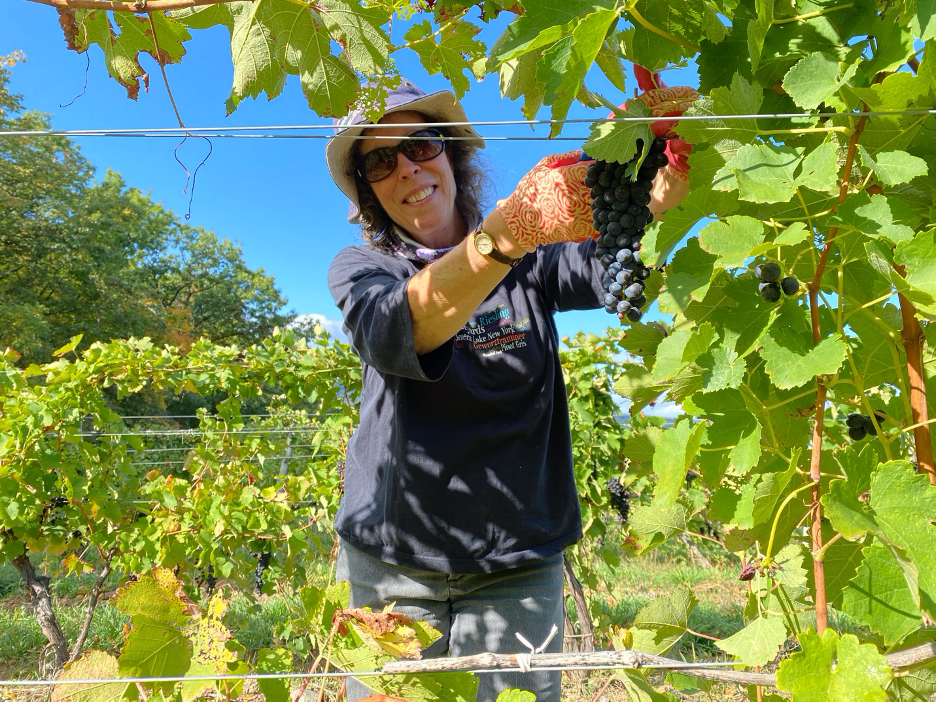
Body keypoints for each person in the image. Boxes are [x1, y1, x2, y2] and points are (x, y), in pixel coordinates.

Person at [325, 76, 689, 702]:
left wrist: (647, 181)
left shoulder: (534, 257)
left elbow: (612, 268)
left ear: (450, 153)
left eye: (420, 145)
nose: (407, 169)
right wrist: (504, 236)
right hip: (392, 562)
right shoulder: (363, 271)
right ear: (368, 189)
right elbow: (405, 325)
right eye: (381, 161)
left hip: (517, 563)